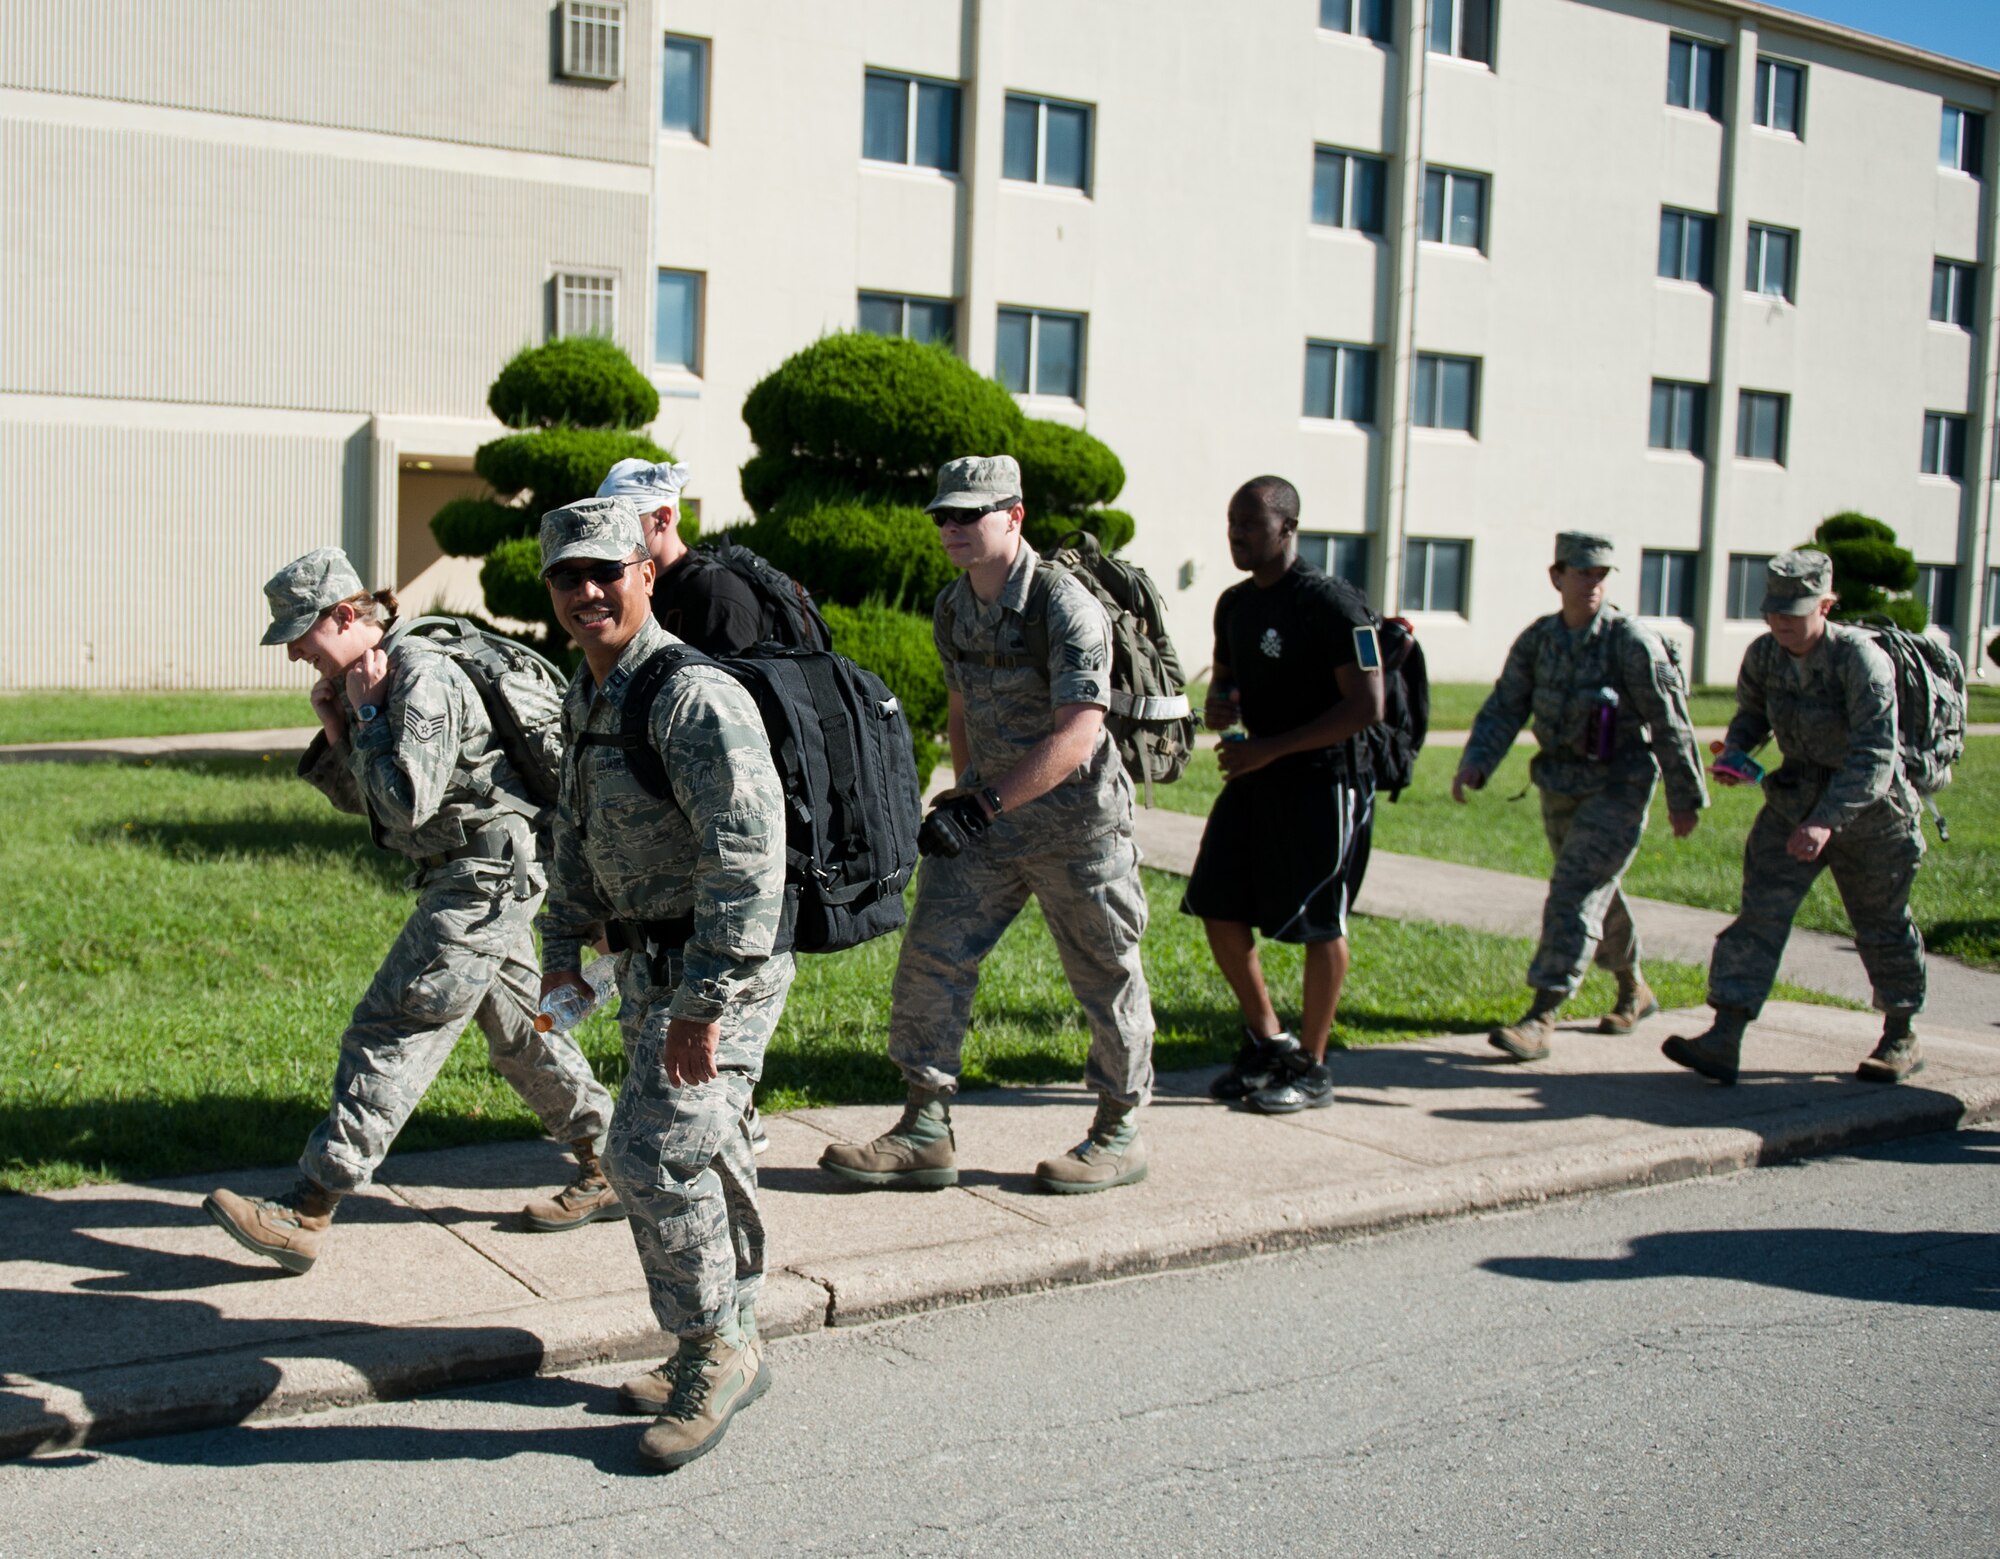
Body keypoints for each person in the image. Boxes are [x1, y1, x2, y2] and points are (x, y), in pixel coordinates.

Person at [204, 547, 617, 1276]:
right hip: (483, 873)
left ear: (344, 615)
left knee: (393, 1024)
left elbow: (404, 802)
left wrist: (364, 716)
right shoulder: (377, 677)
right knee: (524, 1033)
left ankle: (308, 1206)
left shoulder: (420, 676)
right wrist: (343, 730)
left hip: (480, 879)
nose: (297, 651)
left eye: (303, 633)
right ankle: (609, 1159)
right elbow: (383, 809)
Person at [535, 496, 793, 1471]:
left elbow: (748, 861)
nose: (587, 590)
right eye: (568, 575)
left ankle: (707, 1349)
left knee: (646, 1152)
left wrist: (703, 1004)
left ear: (648, 569)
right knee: (709, 1143)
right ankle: (731, 1332)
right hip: (646, 957)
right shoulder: (589, 689)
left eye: (606, 570)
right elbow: (572, 829)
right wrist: (563, 946)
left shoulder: (692, 697)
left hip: (724, 966)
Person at [818, 454, 1156, 1194]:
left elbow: (1080, 736)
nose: (951, 527)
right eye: (943, 514)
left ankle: (1119, 1126)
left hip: (1079, 827)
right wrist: (968, 792)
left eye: (969, 513)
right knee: (932, 954)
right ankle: (924, 1126)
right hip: (991, 822)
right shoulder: (953, 605)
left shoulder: (1064, 607)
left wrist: (983, 801)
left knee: (1105, 974)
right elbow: (962, 705)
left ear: (1014, 515)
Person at [1664, 549, 1928, 1086]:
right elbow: (1753, 716)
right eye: (1774, 609)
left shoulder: (1861, 660)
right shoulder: (1765, 655)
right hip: (1793, 798)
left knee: (1880, 924)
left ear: (1827, 605)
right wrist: (1736, 753)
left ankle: (1900, 1032)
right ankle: (1725, 1034)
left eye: (1796, 609)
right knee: (1759, 914)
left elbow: (1875, 757)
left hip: (1871, 812)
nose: (1781, 620)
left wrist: (1827, 820)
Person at [1453, 533, 1707, 1062]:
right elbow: (1506, 706)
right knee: (1597, 893)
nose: (1592, 582)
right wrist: (1477, 761)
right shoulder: (1539, 640)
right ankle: (1635, 989)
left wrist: (1685, 795)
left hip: (1621, 785)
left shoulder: (1629, 641)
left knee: (1573, 891)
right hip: (1560, 785)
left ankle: (1543, 1012)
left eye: (1601, 574)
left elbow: (1670, 722)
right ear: (1557, 576)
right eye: (1582, 572)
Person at [1183, 476, 1385, 1113]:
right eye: (1231, 522)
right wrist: (1221, 709)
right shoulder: (1234, 605)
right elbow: (1228, 688)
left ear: (1288, 528)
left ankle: (1315, 1067)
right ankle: (1270, 1041)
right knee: (1216, 901)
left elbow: (1368, 706)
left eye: (1250, 524)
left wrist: (1268, 748)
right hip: (1255, 774)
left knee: (1321, 922)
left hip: (1327, 781)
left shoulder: (1333, 605)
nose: (1236, 535)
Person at [598, 458, 764, 655]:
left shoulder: (714, 592)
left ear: (662, 518)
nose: (610, 537)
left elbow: (733, 682)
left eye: (622, 525)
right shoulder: (633, 584)